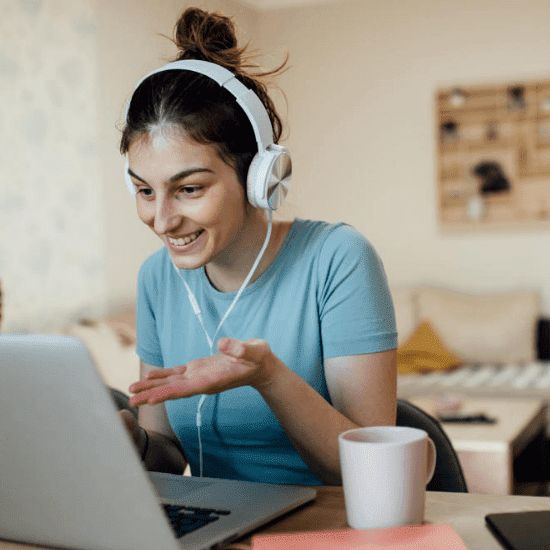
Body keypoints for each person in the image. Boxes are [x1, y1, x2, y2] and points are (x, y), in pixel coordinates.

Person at [117, 7, 397, 487]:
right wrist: (131, 442)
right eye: (145, 190)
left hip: (327, 530)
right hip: (217, 527)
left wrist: (267, 376)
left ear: (257, 180)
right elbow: (168, 456)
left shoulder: (338, 260)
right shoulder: (157, 279)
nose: (161, 220)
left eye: (189, 189)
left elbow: (372, 474)